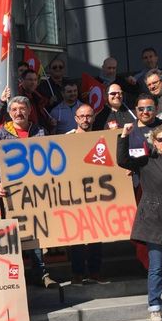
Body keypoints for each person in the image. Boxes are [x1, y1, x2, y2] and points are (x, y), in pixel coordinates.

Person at [117, 123, 162, 321]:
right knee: (156, 268)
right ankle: (155, 307)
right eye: (161, 139)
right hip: (154, 223)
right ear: (154, 142)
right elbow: (122, 160)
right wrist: (124, 136)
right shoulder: (146, 161)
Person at [0, 96, 57, 288]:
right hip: (11, 195)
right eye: (15, 109)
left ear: (28, 111)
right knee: (13, 235)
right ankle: (15, 276)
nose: (19, 113)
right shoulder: (1, 134)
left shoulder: (39, 131)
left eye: (22, 109)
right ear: (9, 113)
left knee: (36, 233)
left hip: (35, 194)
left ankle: (41, 273)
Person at [66, 104, 105, 285]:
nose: (85, 119)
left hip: (97, 194)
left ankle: (95, 272)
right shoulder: (67, 139)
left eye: (89, 116)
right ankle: (77, 273)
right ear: (76, 119)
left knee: (97, 235)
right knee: (77, 237)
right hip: (74, 196)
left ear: (94, 118)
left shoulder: (103, 138)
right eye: (81, 116)